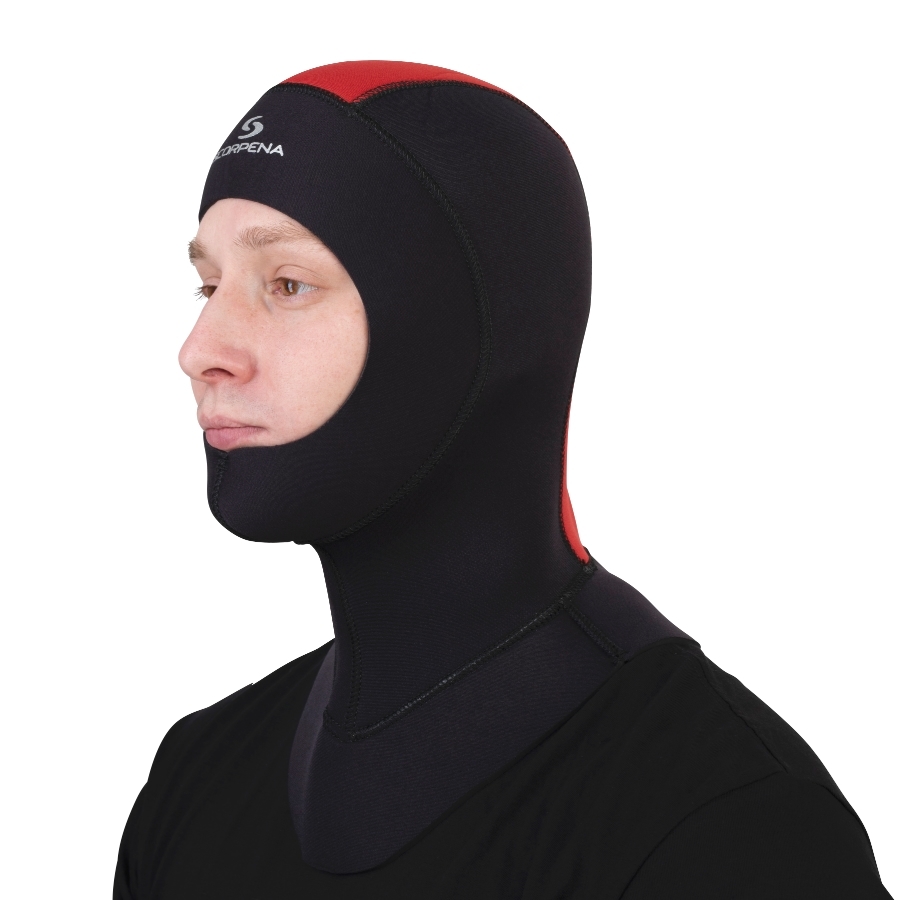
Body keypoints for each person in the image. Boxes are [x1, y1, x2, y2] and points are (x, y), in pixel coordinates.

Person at [114, 60, 893, 898]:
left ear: (468, 326)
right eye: (206, 285)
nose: (199, 351)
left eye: (287, 284)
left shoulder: (729, 823)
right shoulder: (197, 776)